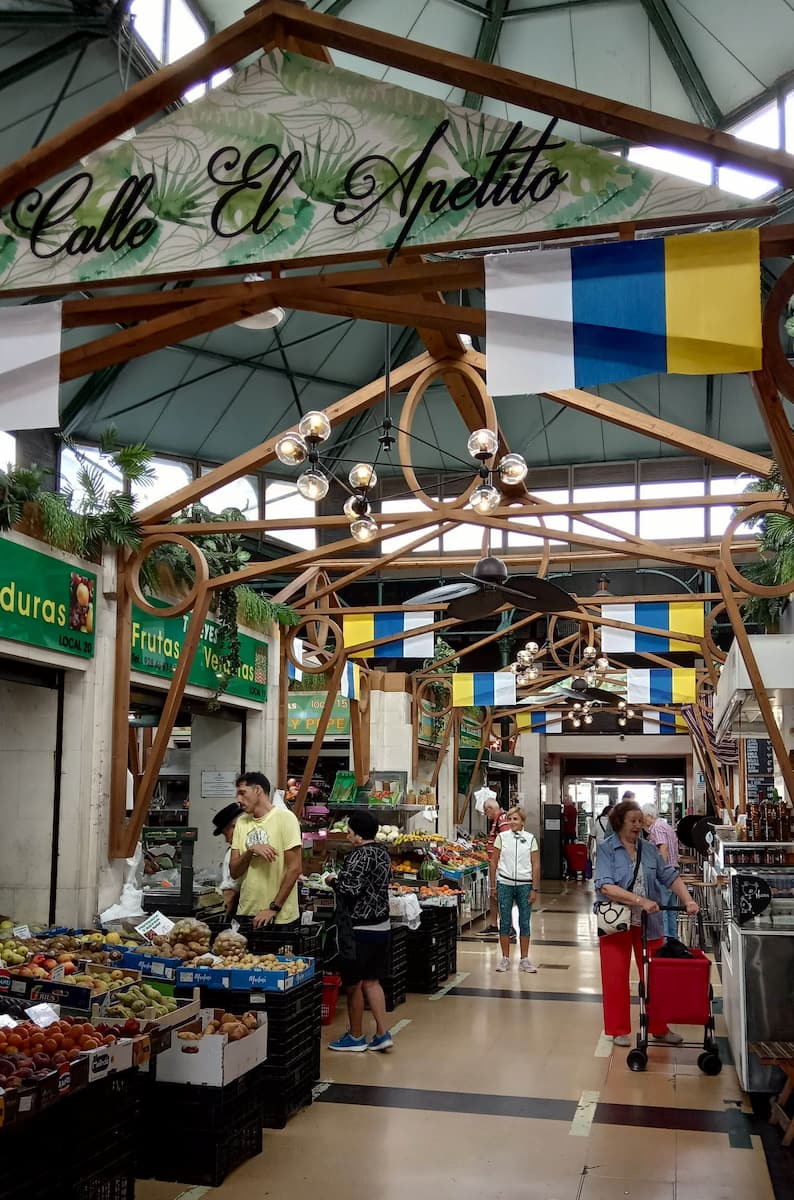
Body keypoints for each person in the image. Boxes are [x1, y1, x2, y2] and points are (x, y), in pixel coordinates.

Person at [594, 798, 699, 1048]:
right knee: (615, 977)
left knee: (655, 976)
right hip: (616, 923)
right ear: (619, 822)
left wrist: (688, 900)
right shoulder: (607, 849)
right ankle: (618, 1029)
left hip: (649, 923)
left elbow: (670, 876)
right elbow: (605, 886)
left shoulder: (650, 850)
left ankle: (659, 1027)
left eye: (640, 821)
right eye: (633, 821)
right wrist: (640, 900)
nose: (638, 825)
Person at [326, 810, 394, 1053]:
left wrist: (332, 881)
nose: (348, 835)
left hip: (359, 929)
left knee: (354, 984)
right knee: (372, 981)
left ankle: (355, 1037)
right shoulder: (383, 853)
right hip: (382, 926)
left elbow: (349, 889)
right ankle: (382, 1033)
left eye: (350, 831)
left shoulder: (358, 856)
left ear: (358, 834)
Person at [230, 771, 302, 929]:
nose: (238, 800)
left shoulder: (286, 819)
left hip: (280, 917)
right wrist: (251, 851)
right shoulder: (242, 822)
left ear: (257, 790)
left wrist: (273, 908)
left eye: (242, 793)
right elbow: (234, 872)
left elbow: (295, 869)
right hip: (246, 913)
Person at [492, 806, 540, 973]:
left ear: (522, 821)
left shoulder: (530, 839)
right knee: (505, 921)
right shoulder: (501, 838)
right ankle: (505, 958)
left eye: (515, 819)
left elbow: (535, 864)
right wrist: (493, 885)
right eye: (510, 819)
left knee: (524, 922)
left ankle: (524, 959)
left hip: (525, 884)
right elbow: (494, 861)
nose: (512, 822)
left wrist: (534, 888)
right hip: (504, 883)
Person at [642, 804, 680, 940]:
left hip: (665, 873)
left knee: (661, 908)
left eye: (643, 817)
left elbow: (663, 848)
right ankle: (673, 939)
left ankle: (663, 940)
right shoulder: (665, 825)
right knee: (671, 909)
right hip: (673, 870)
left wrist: (660, 871)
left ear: (649, 816)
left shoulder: (656, 827)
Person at [482, 795, 513, 937]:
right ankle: (494, 925)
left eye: (486, 811)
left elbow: (507, 840)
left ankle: (509, 927)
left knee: (501, 895)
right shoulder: (497, 820)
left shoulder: (502, 819)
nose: (486, 815)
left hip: (500, 865)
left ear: (490, 809)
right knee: (493, 895)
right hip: (494, 864)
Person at [212, 801, 244, 916]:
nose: (226, 840)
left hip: (240, 912)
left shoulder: (232, 853)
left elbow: (230, 892)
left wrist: (221, 917)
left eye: (226, 833)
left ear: (235, 827)